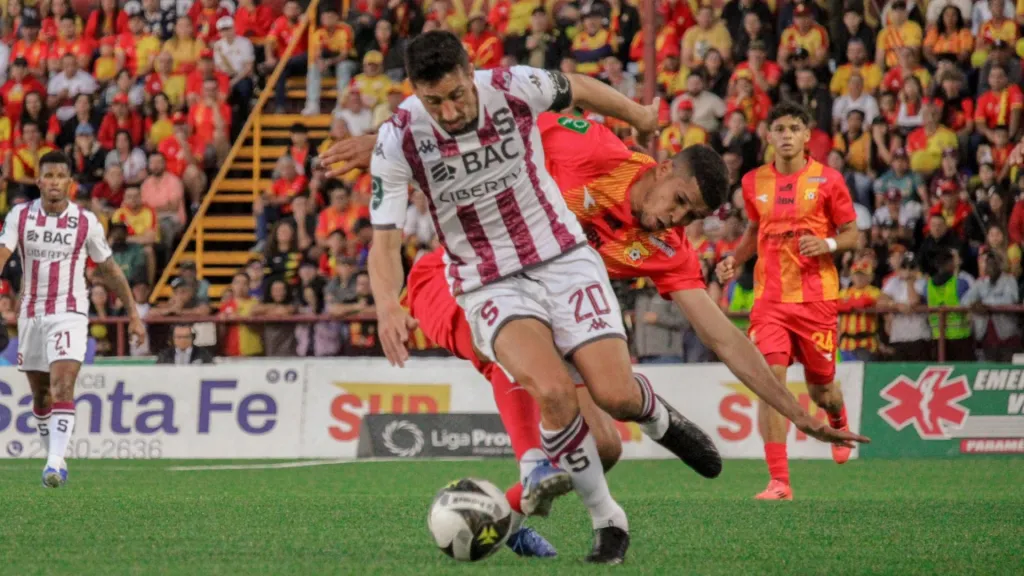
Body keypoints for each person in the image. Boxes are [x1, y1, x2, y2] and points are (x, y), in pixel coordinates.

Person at [324, 104, 868, 540]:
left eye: (691, 216)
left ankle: (500, 514)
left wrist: (798, 412)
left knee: (602, 447)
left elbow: (722, 335)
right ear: (661, 170)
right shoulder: (589, 146)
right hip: (457, 278)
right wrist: (379, 142)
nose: (676, 219)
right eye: (677, 201)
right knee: (503, 351)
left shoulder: (666, 245)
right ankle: (529, 481)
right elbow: (480, 127)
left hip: (551, 312)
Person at [363, 30, 693, 564]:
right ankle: (567, 492)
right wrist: (385, 304)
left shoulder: (514, 88)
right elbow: (384, 241)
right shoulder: (398, 137)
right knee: (536, 379)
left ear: (472, 74)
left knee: (608, 421)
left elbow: (580, 87)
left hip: (558, 263)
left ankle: (520, 500)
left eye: (456, 95)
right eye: (434, 102)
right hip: (475, 280)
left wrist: (639, 115)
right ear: (414, 93)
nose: (449, 111)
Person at [717, 102, 862, 501]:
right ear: (768, 136)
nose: (785, 135)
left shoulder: (828, 180)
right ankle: (779, 481)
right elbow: (753, 231)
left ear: (805, 136)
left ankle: (836, 415)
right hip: (770, 301)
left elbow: (854, 235)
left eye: (793, 128)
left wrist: (828, 243)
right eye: (778, 128)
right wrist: (734, 259)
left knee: (821, 391)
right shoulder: (752, 182)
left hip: (816, 300)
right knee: (771, 383)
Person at [0, 151, 145, 487]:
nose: (54, 182)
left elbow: (109, 270)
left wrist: (134, 314)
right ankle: (54, 454)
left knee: (63, 383)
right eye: (48, 176)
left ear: (69, 182)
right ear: (39, 181)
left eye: (60, 176)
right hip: (32, 313)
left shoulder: (86, 222)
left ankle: (54, 464)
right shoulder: (19, 216)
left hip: (71, 311)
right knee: (41, 396)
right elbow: (3, 254)